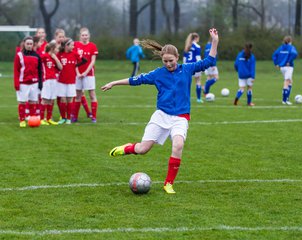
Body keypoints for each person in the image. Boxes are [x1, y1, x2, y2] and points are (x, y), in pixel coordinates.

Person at [101, 28, 219, 194]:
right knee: (143, 149)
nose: (168, 64)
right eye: (165, 61)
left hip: (180, 117)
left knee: (178, 145)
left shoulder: (187, 69)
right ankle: (127, 149)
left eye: (171, 60)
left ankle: (168, 183)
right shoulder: (158, 74)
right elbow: (136, 80)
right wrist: (114, 82)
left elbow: (209, 61)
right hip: (161, 115)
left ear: (177, 58)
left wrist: (214, 41)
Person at [13, 36, 42, 127]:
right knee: (22, 102)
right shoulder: (19, 55)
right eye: (27, 44)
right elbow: (16, 70)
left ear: (33, 45)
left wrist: (40, 82)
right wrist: (16, 83)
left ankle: (32, 120)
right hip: (23, 83)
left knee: (33, 102)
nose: (29, 45)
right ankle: (22, 120)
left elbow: (40, 70)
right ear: (24, 44)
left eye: (31, 44)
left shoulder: (37, 56)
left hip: (34, 83)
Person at [56, 38, 87, 124]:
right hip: (61, 80)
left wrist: (76, 65)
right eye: (72, 45)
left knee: (70, 99)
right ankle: (63, 118)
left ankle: (69, 118)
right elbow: (56, 65)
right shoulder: (59, 54)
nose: (73, 46)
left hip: (71, 80)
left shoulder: (74, 54)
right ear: (66, 46)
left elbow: (85, 60)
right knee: (62, 99)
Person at [73, 27, 99, 123]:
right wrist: (78, 73)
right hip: (78, 74)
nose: (84, 37)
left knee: (92, 94)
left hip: (89, 74)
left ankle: (94, 117)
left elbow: (92, 61)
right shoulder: (76, 45)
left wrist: (85, 73)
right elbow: (74, 60)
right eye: (83, 35)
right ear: (80, 36)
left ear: (89, 36)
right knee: (78, 95)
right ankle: (75, 117)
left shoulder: (92, 46)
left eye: (86, 35)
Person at [40, 40, 63, 125]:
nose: (58, 50)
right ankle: (42, 119)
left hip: (54, 80)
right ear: (53, 48)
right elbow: (37, 64)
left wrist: (55, 58)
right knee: (45, 99)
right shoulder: (44, 56)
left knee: (51, 100)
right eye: (57, 48)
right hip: (46, 80)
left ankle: (49, 118)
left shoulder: (55, 57)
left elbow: (61, 68)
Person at [272, 35, 298, 105]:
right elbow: (295, 54)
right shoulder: (291, 47)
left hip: (282, 67)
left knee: (290, 81)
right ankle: (285, 100)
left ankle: (287, 98)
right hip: (288, 67)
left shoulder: (281, 47)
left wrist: (276, 64)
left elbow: (274, 55)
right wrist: (289, 61)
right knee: (287, 82)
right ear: (290, 41)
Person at [183, 32, 203, 103]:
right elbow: (198, 57)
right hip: (195, 66)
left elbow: (184, 59)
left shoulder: (187, 46)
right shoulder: (197, 46)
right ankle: (198, 99)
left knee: (187, 82)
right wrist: (201, 66)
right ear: (196, 38)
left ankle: (186, 98)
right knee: (198, 81)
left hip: (187, 66)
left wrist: (184, 67)